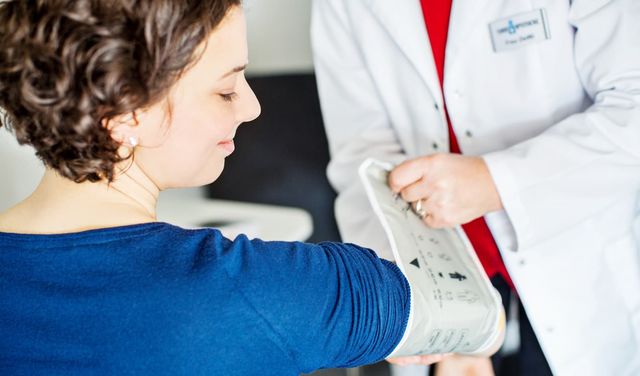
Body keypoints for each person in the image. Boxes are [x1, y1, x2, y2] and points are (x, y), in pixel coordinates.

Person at [0, 1, 459, 374]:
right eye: (226, 90)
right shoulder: (263, 291)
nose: (253, 107)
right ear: (126, 113)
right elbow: (462, 313)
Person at [311, 0, 640, 375]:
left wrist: (497, 181)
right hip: (446, 277)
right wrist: (434, 310)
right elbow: (364, 156)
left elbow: (633, 110)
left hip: (576, 266)